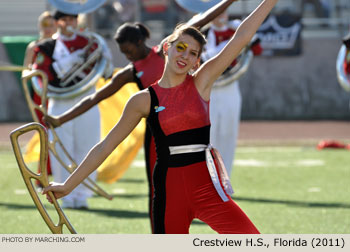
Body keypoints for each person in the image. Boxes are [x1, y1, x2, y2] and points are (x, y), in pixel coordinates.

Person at [43, 0, 279, 234]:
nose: (185, 55)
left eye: (193, 53)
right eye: (180, 47)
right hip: (168, 194)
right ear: (167, 47)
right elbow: (106, 146)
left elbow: (242, 36)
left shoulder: (202, 82)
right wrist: (68, 185)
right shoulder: (143, 100)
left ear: (198, 61)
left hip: (207, 189)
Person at [32, 10, 108, 209]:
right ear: (57, 23)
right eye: (64, 20)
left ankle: (83, 195)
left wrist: (106, 56)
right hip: (60, 100)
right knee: (61, 149)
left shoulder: (89, 43)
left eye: (72, 19)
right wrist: (69, 61)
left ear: (77, 20)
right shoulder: (45, 47)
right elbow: (43, 75)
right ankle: (65, 195)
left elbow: (104, 72)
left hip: (87, 99)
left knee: (88, 145)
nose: (68, 23)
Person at [201, 11, 262, 177]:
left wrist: (244, 31)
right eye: (218, 12)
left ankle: (225, 176)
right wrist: (228, 45)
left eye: (224, 12)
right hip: (208, 87)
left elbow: (257, 49)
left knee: (229, 131)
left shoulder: (235, 31)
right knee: (208, 133)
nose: (221, 16)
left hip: (230, 85)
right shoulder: (202, 33)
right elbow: (201, 59)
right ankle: (208, 176)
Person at [23, 11, 57, 181]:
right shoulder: (34, 46)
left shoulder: (59, 44)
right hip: (39, 96)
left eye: (51, 25)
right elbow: (25, 71)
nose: (48, 29)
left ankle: (58, 172)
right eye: (45, 25)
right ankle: (43, 173)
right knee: (44, 133)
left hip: (58, 95)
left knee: (59, 134)